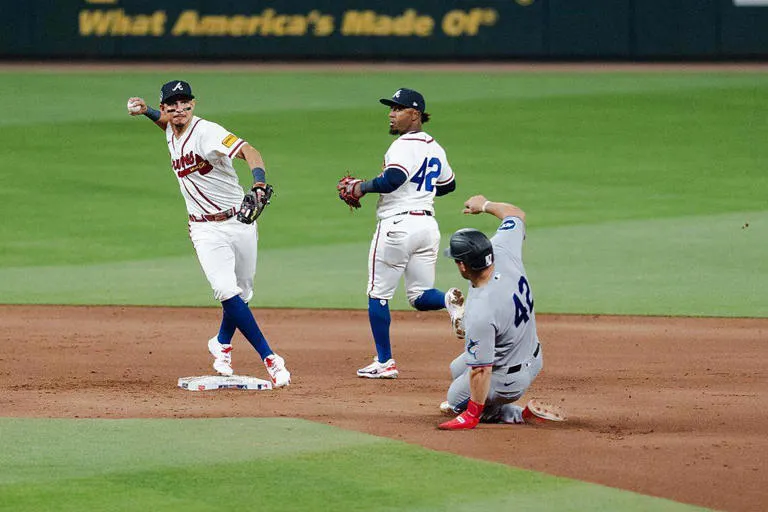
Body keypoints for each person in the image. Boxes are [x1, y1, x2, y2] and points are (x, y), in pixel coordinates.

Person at [126, 80, 291, 387]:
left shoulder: (208, 131)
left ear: (193, 104)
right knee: (226, 291)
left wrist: (258, 182)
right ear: (165, 108)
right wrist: (145, 111)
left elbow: (249, 150)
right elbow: (165, 125)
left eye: (184, 103)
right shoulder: (170, 131)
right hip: (204, 228)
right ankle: (270, 358)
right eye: (172, 104)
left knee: (243, 292)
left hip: (239, 221)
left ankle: (221, 343)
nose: (179, 109)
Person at [343, 88, 463, 379]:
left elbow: (393, 179)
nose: (391, 113)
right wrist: (421, 190)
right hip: (427, 227)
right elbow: (448, 185)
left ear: (415, 114)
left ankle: (384, 362)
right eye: (391, 108)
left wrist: (362, 187)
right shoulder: (435, 147)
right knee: (420, 296)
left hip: (397, 226)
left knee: (378, 294)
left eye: (398, 108)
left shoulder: (402, 145)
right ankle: (449, 299)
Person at [438, 195, 564, 429]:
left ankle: (515, 413)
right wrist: (485, 205)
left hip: (509, 378)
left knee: (456, 400)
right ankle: (489, 403)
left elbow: (481, 370)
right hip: (531, 354)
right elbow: (516, 214)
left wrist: (471, 415)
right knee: (456, 368)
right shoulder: (502, 249)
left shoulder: (481, 310)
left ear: (463, 266)